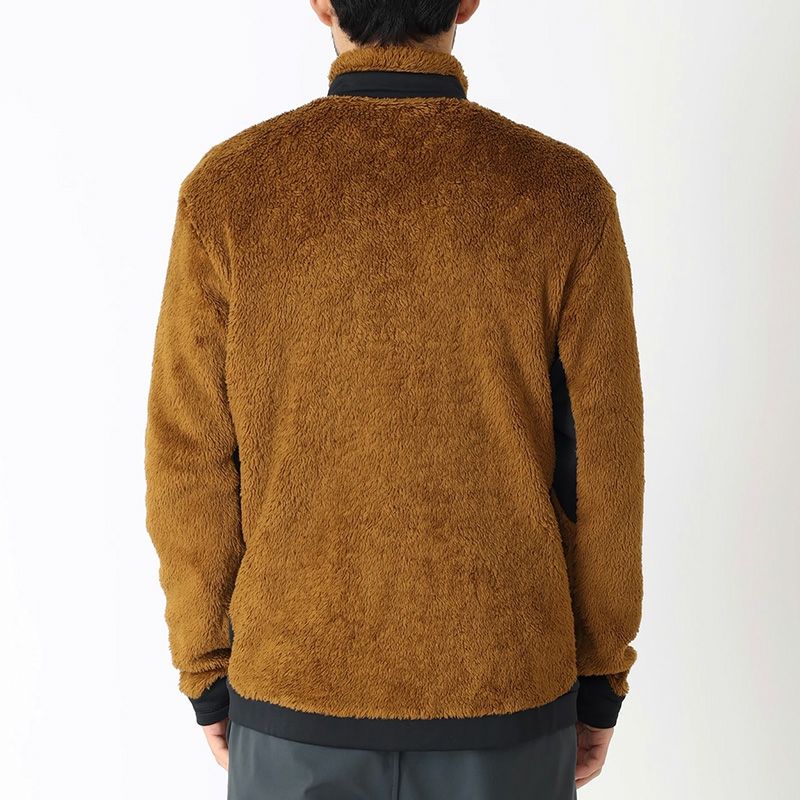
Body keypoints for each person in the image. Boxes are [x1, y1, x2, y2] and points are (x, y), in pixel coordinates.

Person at [144, 1, 645, 797]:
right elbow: (603, 466)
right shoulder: (563, 194)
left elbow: (190, 458)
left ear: (321, 2)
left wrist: (206, 667)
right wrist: (599, 676)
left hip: (293, 696)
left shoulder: (229, 192)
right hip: (505, 693)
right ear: (467, 1)